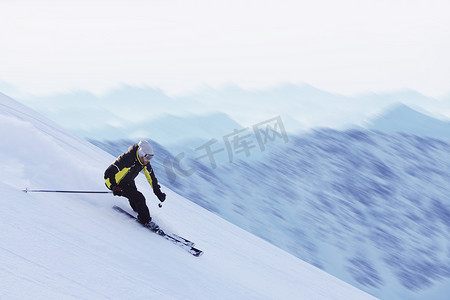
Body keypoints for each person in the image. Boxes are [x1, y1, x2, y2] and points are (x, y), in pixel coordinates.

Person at [104, 140, 166, 229]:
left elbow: (151, 178)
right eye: (148, 157)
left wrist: (158, 193)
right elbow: (108, 173)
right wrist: (113, 186)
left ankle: (138, 211)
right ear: (141, 153)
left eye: (151, 157)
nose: (149, 160)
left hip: (128, 181)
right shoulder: (127, 159)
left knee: (136, 200)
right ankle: (146, 221)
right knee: (139, 197)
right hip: (117, 183)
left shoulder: (144, 162)